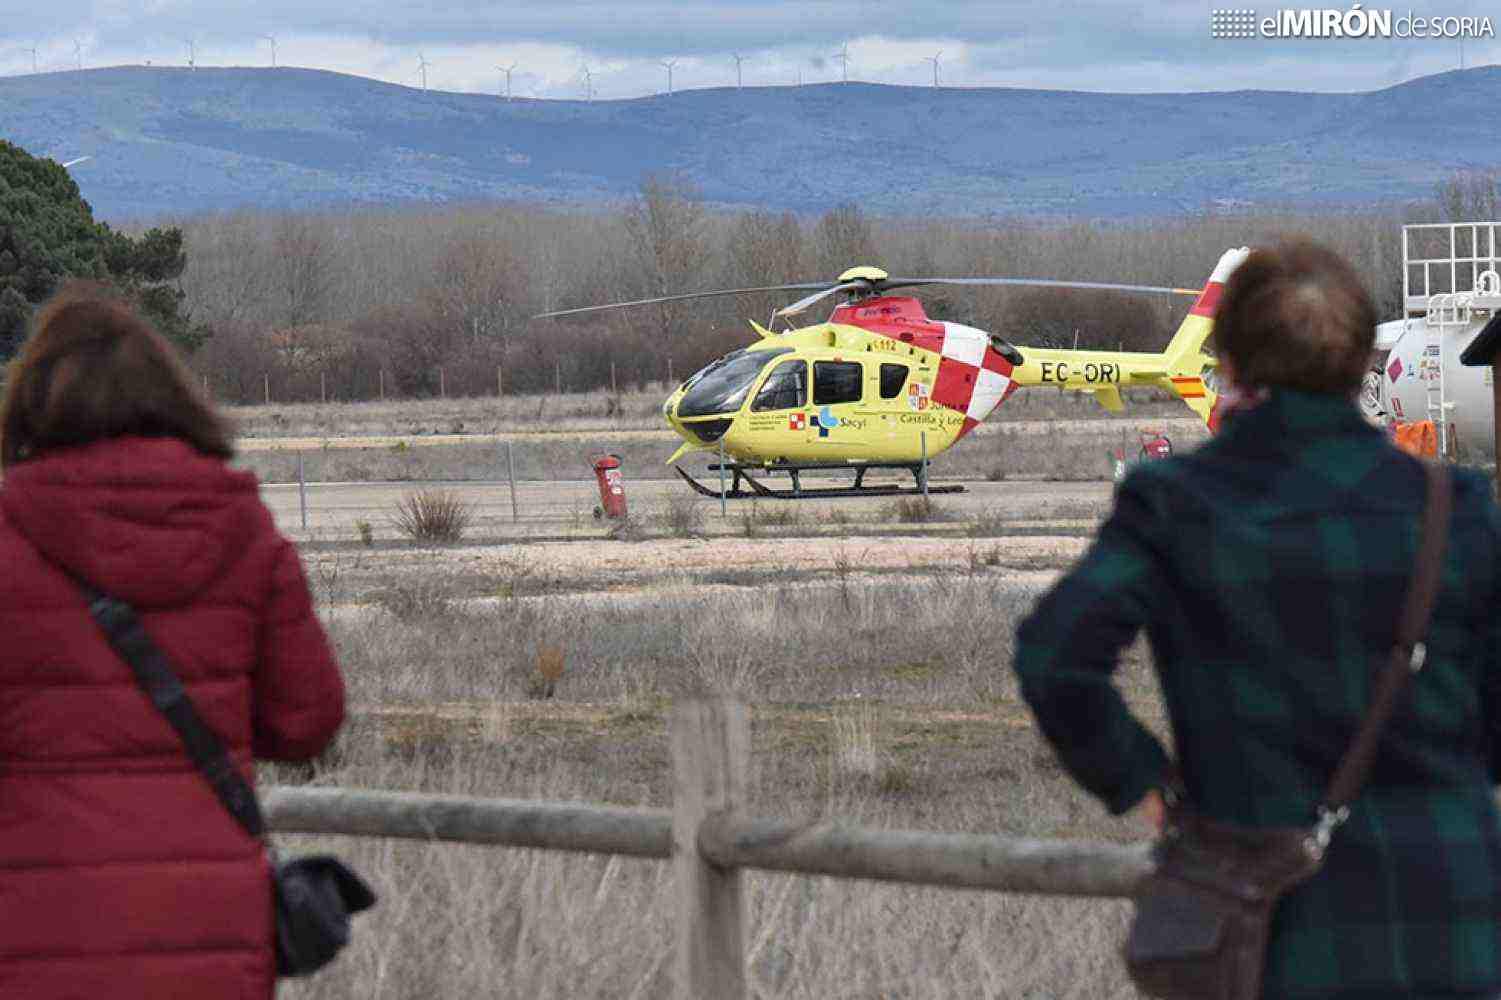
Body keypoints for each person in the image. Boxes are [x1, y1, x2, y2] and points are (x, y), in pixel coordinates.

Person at [1014, 240, 1501, 999]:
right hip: (1448, 920)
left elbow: (1054, 655)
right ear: (1358, 366)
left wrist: (1145, 786)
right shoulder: (1454, 508)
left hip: (1260, 922)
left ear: (1229, 361)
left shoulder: (1172, 500)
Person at [0, 284, 345, 999]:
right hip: (211, 930)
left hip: (34, 930)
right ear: (175, 399)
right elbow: (306, 719)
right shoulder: (247, 532)